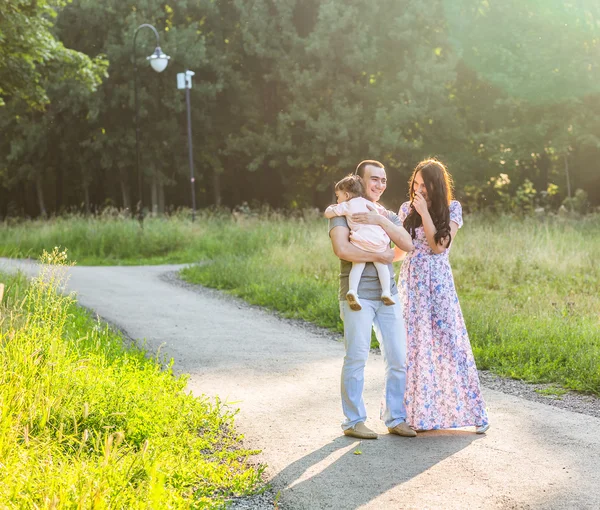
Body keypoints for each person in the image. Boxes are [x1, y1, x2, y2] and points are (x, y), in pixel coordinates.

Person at [396, 158, 489, 433]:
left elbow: (439, 247)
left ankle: (476, 413)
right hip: (412, 281)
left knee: (450, 342)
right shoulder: (405, 209)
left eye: (425, 185)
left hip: (437, 282)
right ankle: (420, 415)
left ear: (437, 186)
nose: (419, 190)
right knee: (414, 346)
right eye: (416, 184)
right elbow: (402, 246)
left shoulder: (452, 209)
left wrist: (424, 212)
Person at [328, 160, 416, 439]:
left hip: (387, 295)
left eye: (384, 180)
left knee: (398, 357)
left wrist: (380, 220)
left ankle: (396, 418)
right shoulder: (343, 212)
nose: (379, 185)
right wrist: (379, 256)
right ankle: (354, 421)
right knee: (356, 357)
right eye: (374, 179)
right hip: (356, 297)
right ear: (360, 181)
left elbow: (407, 244)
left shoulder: (384, 213)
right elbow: (342, 249)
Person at [324, 174, 396, 311]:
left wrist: (330, 208)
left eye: (338, 196)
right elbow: (381, 213)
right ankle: (386, 291)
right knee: (382, 267)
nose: (338, 200)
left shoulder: (346, 205)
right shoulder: (368, 203)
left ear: (346, 194)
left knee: (357, 265)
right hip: (377, 240)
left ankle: (352, 290)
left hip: (361, 240)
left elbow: (330, 213)